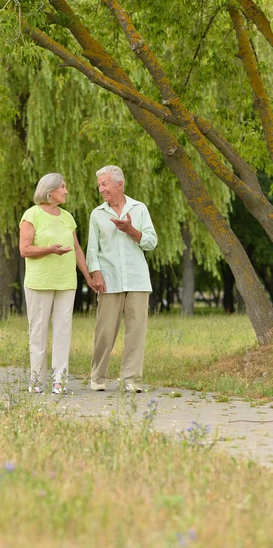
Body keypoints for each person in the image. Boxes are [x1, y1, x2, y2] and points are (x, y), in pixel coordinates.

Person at [19, 172, 94, 394]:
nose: (66, 191)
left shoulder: (67, 217)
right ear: (50, 191)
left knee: (63, 331)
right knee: (38, 332)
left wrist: (88, 277)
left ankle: (59, 381)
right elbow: (25, 249)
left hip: (66, 282)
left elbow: (78, 249)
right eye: (62, 187)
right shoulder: (31, 215)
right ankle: (36, 381)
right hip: (39, 282)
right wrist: (50, 249)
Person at [86, 165, 158, 392]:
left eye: (104, 184)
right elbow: (92, 249)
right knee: (105, 331)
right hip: (109, 280)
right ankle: (97, 378)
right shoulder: (97, 214)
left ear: (120, 184)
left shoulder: (139, 209)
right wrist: (95, 272)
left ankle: (131, 380)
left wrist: (131, 230)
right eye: (99, 185)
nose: (101, 189)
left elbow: (151, 241)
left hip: (137, 279)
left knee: (136, 331)